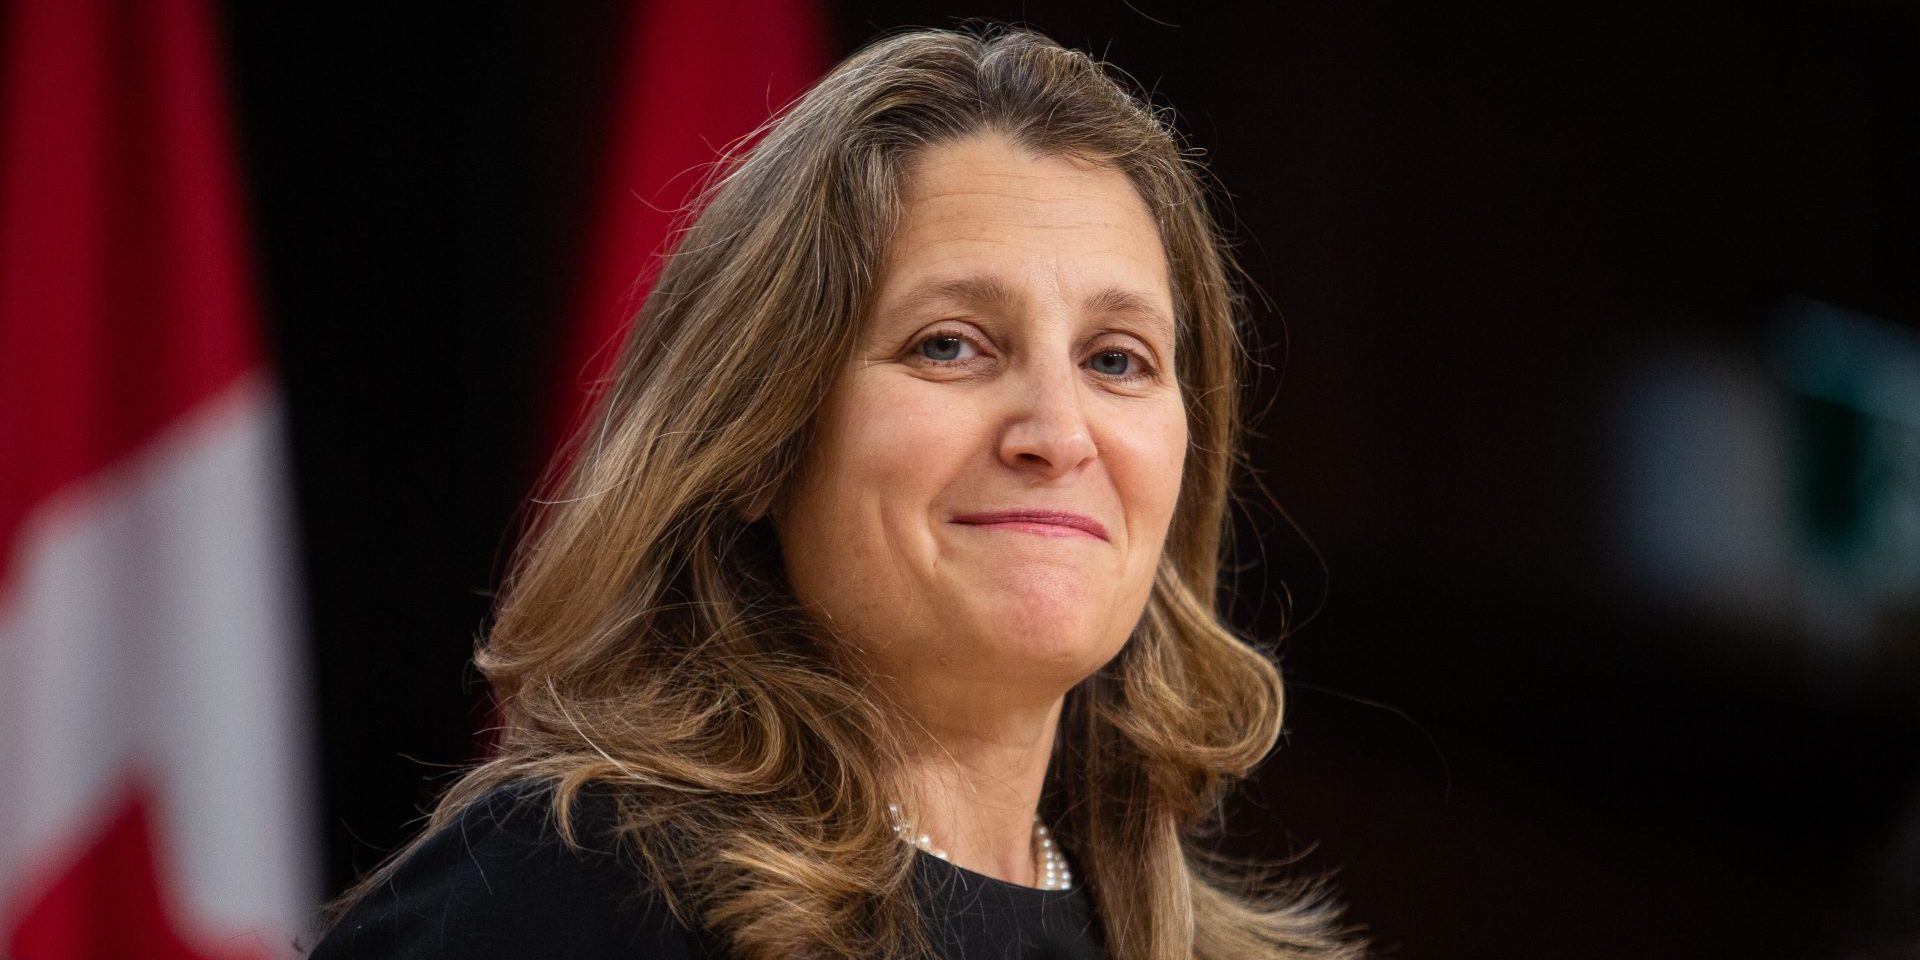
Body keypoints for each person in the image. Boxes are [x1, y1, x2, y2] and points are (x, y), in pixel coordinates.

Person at [307, 25, 1364, 960]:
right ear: (763, 441)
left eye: (1119, 360)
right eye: (949, 345)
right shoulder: (558, 898)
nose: (1056, 433)